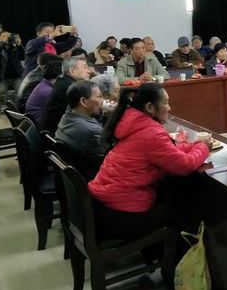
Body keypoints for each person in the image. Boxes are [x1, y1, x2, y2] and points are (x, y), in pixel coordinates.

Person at [87, 83, 212, 242]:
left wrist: (193, 145)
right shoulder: (150, 132)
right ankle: (185, 253)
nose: (169, 108)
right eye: (166, 103)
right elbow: (185, 165)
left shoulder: (132, 121)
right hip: (123, 213)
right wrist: (203, 147)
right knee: (187, 206)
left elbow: (166, 152)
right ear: (150, 107)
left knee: (174, 190)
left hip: (106, 203)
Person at [55, 80, 106, 182]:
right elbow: (108, 163)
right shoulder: (92, 132)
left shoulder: (67, 116)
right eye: (99, 96)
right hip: (93, 181)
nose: (102, 101)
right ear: (83, 101)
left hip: (73, 179)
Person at [43, 57, 90, 134]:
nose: (88, 71)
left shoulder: (64, 82)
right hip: (59, 133)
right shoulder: (71, 87)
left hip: (56, 130)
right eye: (84, 68)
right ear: (72, 71)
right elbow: (87, 111)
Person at [0, 31, 24, 113]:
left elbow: (23, 56)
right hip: (2, 77)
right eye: (4, 36)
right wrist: (3, 43)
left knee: (21, 91)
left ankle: (18, 109)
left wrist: (20, 45)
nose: (7, 37)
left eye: (9, 36)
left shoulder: (15, 47)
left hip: (16, 76)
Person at [24, 59, 63, 127]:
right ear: (59, 76)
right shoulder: (49, 91)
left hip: (33, 122)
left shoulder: (43, 84)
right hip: (40, 125)